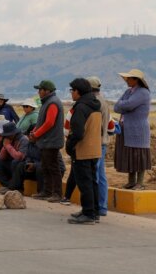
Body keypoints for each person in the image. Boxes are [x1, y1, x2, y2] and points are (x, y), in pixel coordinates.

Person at [65, 78, 102, 224]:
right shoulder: (95, 104)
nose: (71, 93)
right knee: (92, 181)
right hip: (94, 148)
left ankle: (88, 214)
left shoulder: (80, 107)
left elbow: (78, 133)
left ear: (78, 92)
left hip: (82, 150)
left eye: (72, 90)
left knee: (84, 183)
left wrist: (70, 145)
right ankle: (94, 211)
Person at [114, 69, 151, 190]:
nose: (126, 80)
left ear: (136, 80)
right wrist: (125, 106)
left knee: (138, 155)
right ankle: (131, 182)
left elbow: (128, 105)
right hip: (127, 128)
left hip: (138, 130)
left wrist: (124, 105)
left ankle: (140, 183)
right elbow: (116, 107)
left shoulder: (143, 93)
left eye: (129, 78)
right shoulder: (128, 92)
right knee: (130, 154)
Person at [29, 80, 65, 203]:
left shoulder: (53, 103)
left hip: (51, 141)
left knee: (53, 167)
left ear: (47, 91)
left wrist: (36, 134)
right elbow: (41, 121)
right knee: (46, 166)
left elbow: (49, 122)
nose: (38, 92)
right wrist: (34, 131)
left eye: (40, 90)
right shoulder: (47, 102)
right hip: (45, 141)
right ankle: (47, 191)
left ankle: (57, 193)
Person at [0, 122, 29, 194]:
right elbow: (2, 157)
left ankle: (16, 187)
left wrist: (8, 146)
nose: (6, 136)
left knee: (15, 162)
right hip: (12, 163)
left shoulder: (23, 139)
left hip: (22, 164)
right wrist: (4, 147)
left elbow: (19, 157)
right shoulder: (9, 140)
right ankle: (8, 185)